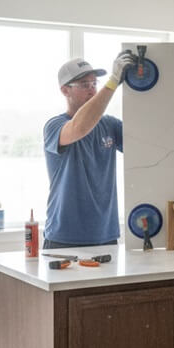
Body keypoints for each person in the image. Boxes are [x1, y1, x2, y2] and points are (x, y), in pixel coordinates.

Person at [43, 51, 134, 249]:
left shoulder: (109, 125)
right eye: (85, 85)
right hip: (64, 238)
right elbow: (80, 128)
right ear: (65, 90)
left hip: (106, 236)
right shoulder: (55, 126)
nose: (92, 90)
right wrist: (112, 82)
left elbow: (145, 146)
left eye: (94, 84)